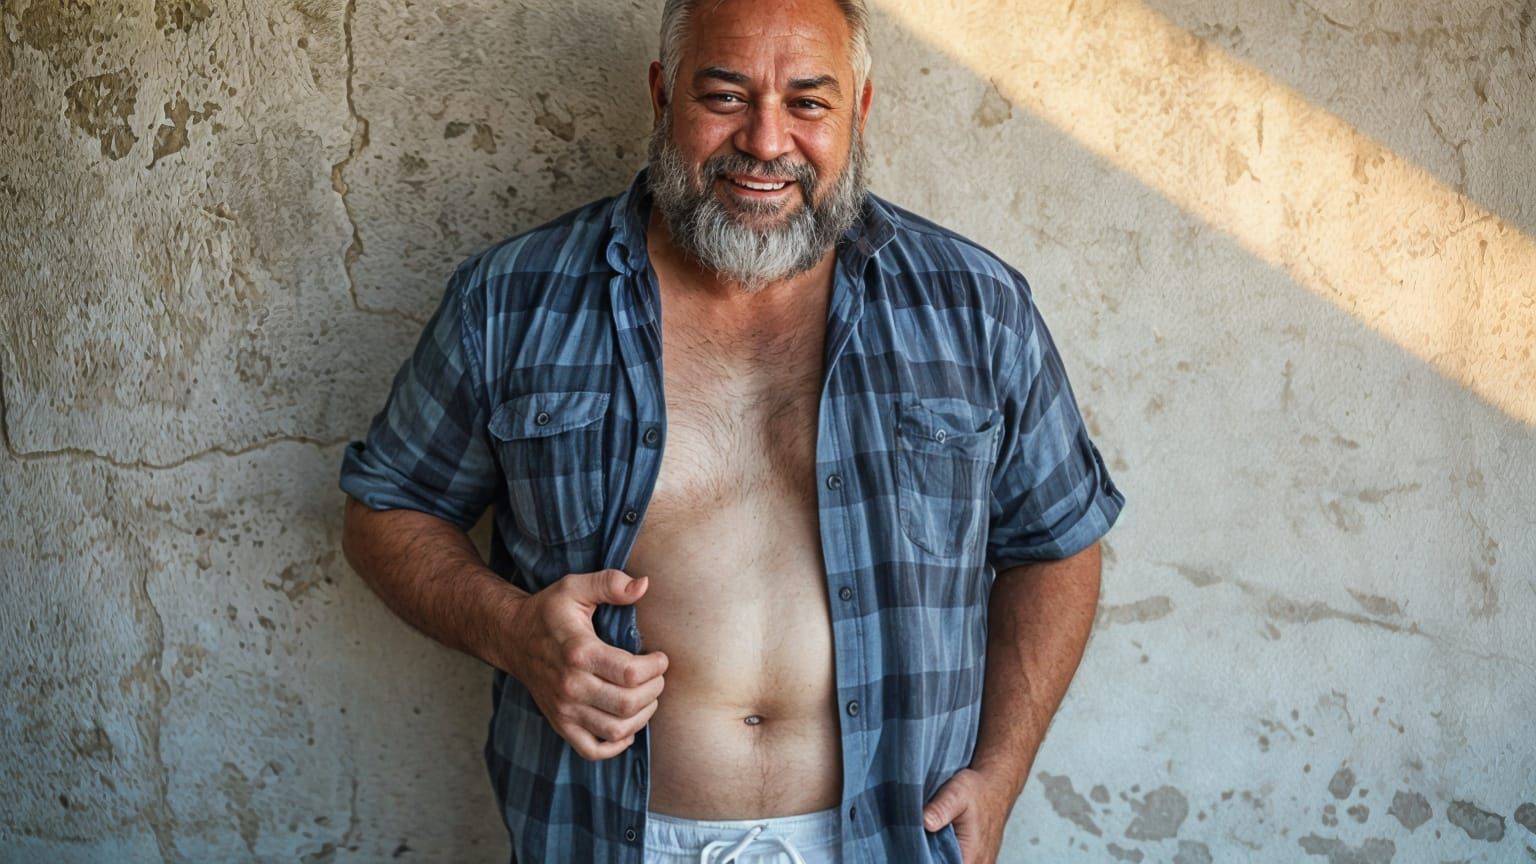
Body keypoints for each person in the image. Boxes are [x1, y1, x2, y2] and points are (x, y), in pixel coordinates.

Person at [338, 0, 1125, 861]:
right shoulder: (513, 300)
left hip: (892, 841)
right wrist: (511, 632)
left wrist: (1002, 770)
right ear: (662, 94)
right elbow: (389, 509)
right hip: (608, 839)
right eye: (724, 97)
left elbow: (1057, 543)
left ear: (858, 111)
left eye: (808, 103)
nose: (765, 141)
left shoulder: (973, 308)